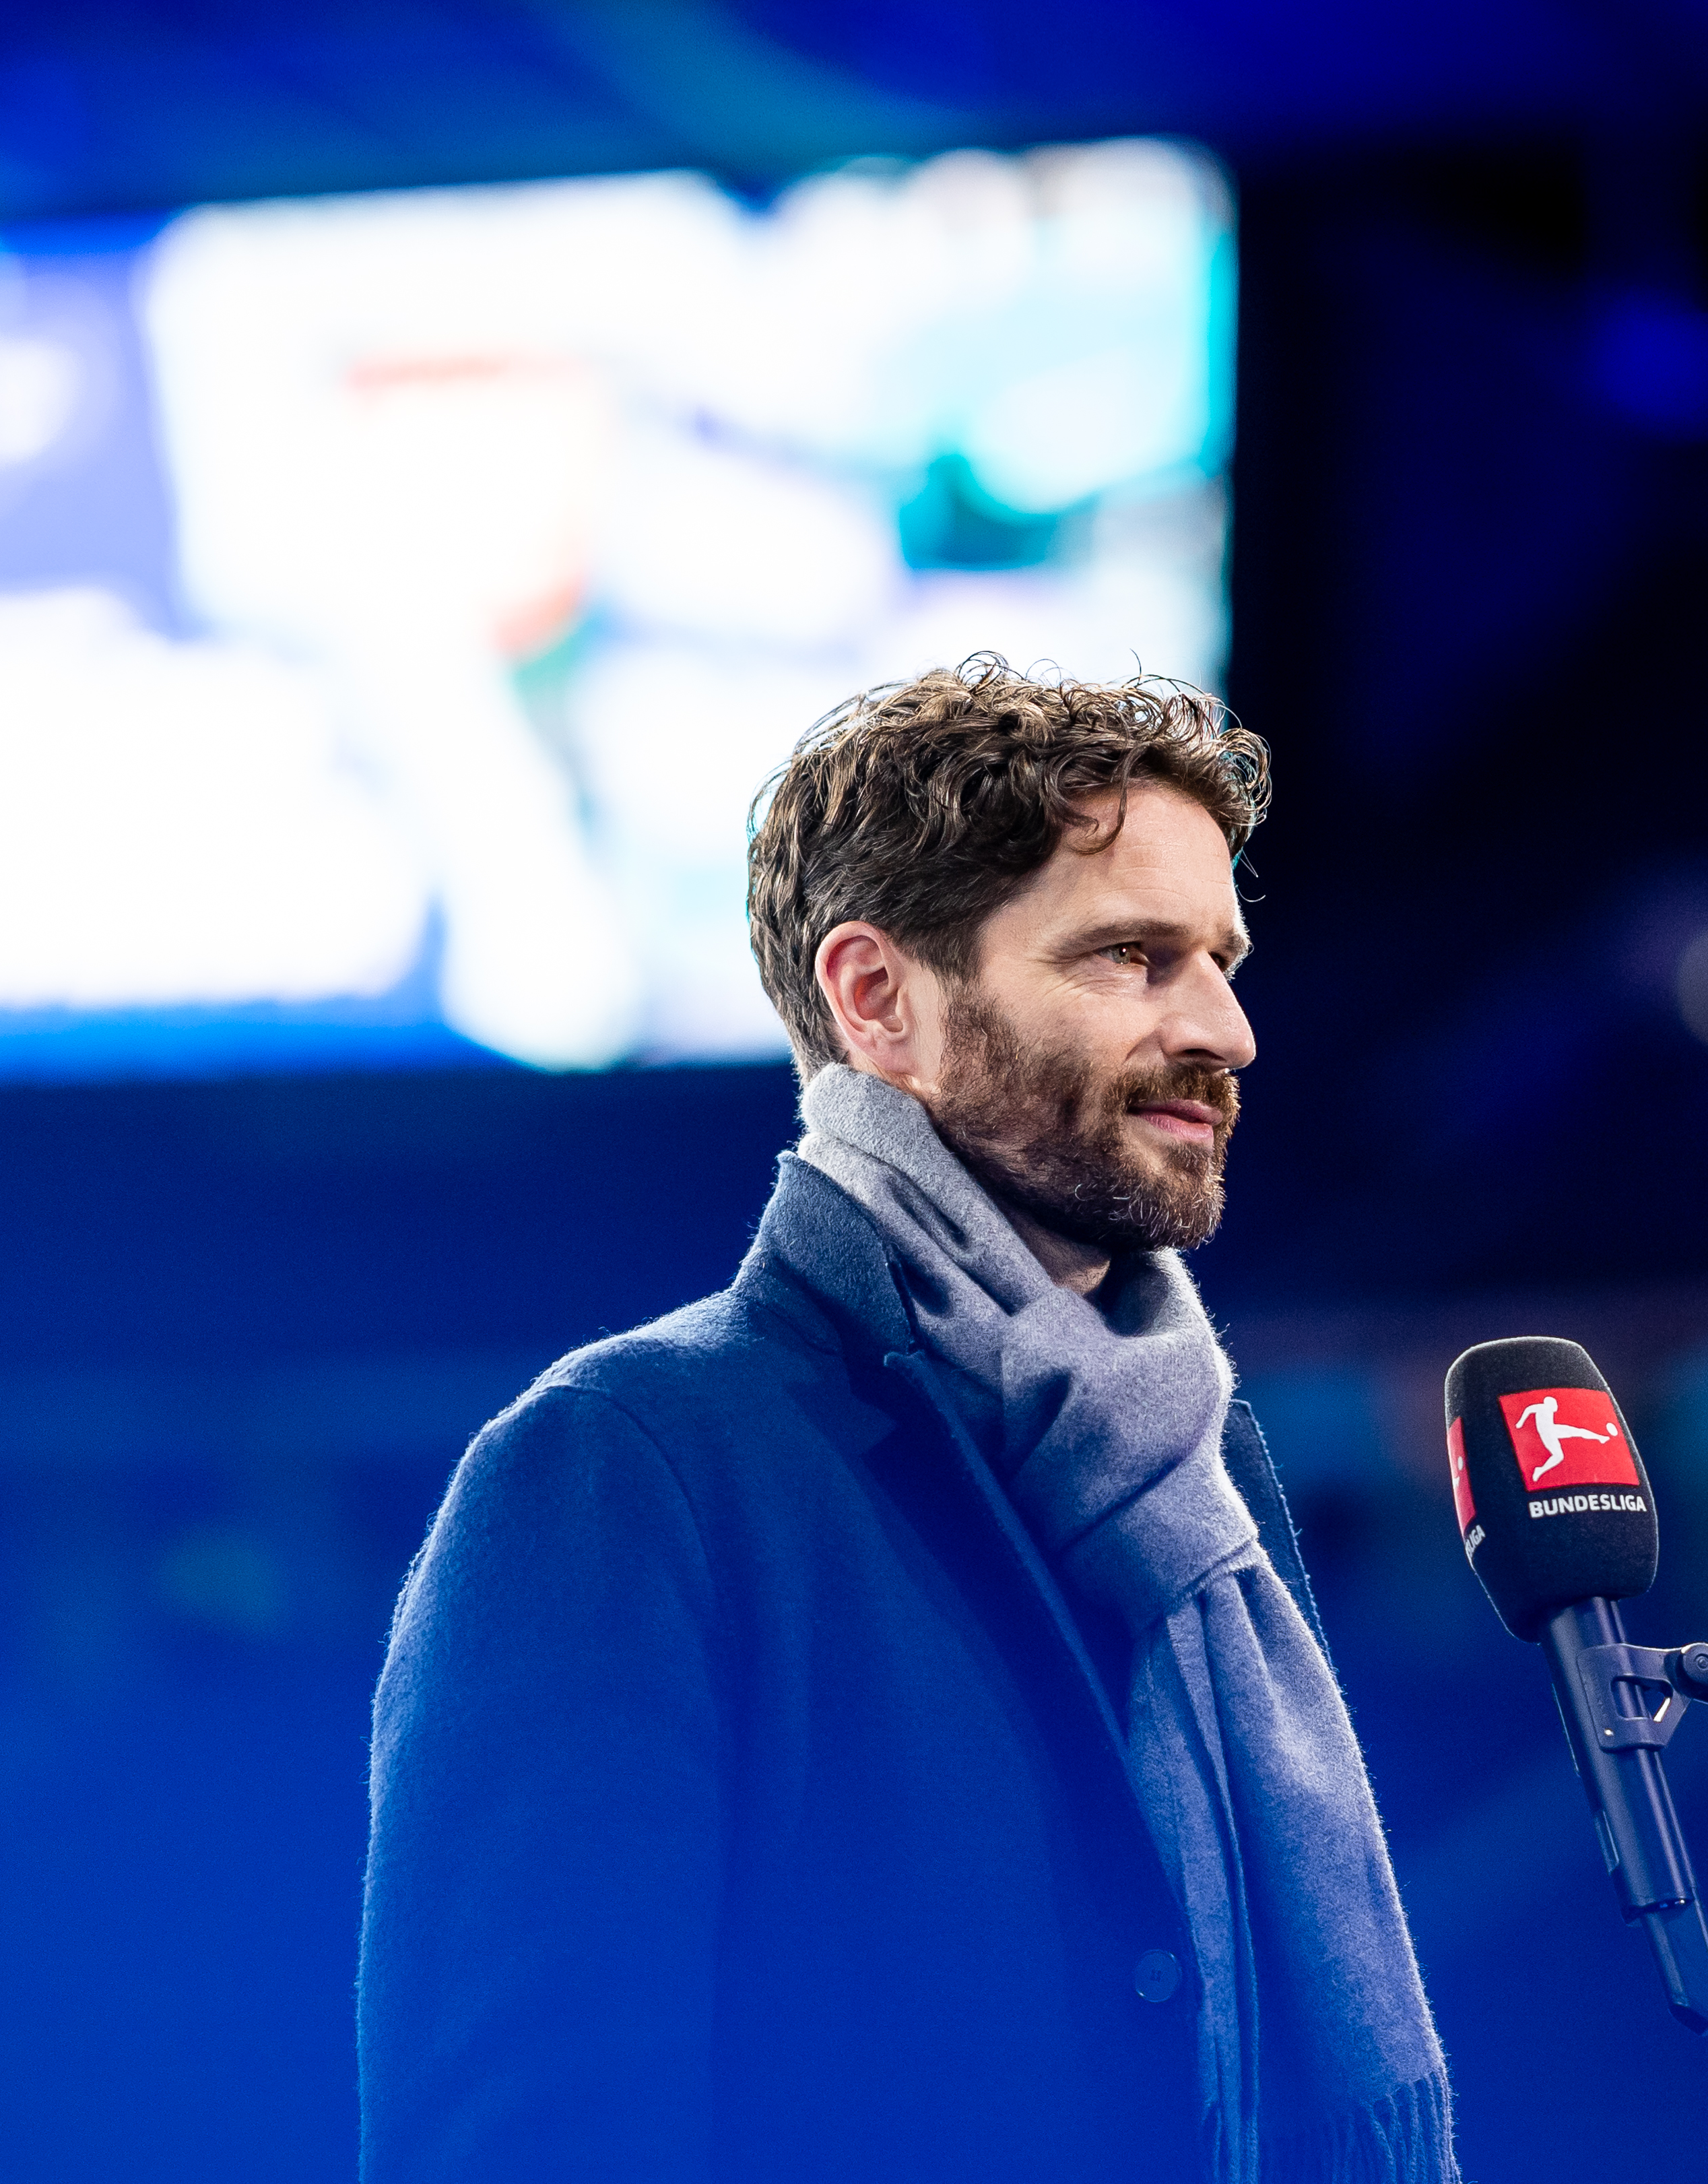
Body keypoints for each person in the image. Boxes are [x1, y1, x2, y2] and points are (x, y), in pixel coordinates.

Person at [359, 658, 1457, 2184]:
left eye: (1222, 957)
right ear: (879, 997)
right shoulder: (630, 1461)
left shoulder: (1204, 1476)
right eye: (1133, 956)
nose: (1226, 1028)